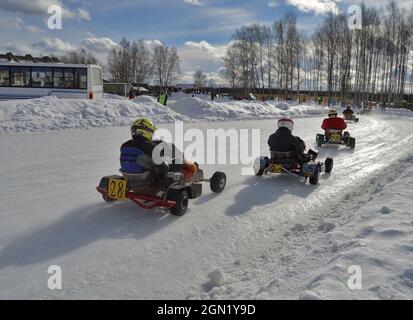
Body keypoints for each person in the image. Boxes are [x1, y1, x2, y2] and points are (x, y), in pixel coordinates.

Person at [120, 118, 197, 181]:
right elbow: (161, 168)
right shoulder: (150, 146)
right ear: (147, 131)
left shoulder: (125, 145)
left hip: (127, 174)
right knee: (177, 161)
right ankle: (189, 176)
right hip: (146, 178)